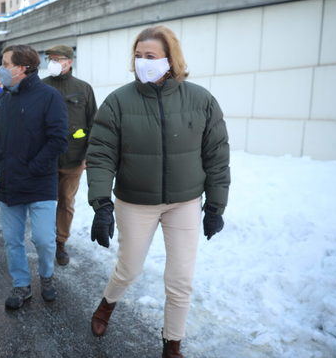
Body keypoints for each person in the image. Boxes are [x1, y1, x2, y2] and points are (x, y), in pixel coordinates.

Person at [86, 26, 230, 357]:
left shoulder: (200, 100)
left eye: (150, 56)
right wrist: (101, 205)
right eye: (138, 56)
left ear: (170, 59)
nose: (142, 62)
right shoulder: (118, 102)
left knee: (181, 280)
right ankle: (107, 305)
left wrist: (215, 207)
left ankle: (172, 345)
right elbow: (100, 156)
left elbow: (217, 156)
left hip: (184, 203)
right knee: (129, 268)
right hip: (135, 202)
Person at [0, 45, 68, 309]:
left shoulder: (49, 97)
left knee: (44, 239)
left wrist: (35, 167)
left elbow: (58, 139)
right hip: (10, 183)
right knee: (13, 240)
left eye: (5, 64)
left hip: (39, 182)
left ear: (22, 67)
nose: (1, 69)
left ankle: (47, 277)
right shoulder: (6, 99)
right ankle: (21, 285)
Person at [42, 45, 97, 267]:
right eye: (50, 59)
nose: (52, 62)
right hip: (45, 159)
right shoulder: (42, 87)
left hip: (74, 159)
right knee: (45, 202)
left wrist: (89, 156)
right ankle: (45, 240)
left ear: (69, 62)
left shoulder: (83, 89)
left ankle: (60, 242)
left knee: (66, 201)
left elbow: (94, 123)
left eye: (57, 59)